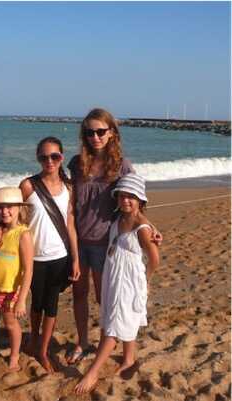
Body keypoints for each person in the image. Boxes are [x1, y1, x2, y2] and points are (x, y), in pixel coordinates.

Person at [66, 108, 161, 364]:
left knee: (104, 299)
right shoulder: (76, 164)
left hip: (106, 244)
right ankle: (83, 342)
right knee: (79, 295)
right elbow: (72, 206)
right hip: (79, 241)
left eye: (100, 131)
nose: (95, 137)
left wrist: (149, 226)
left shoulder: (122, 166)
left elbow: (135, 200)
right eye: (89, 132)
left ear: (111, 133)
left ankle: (104, 344)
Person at [75, 173, 160, 393]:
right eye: (122, 196)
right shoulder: (119, 217)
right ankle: (129, 358)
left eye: (131, 197)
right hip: (113, 275)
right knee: (121, 317)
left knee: (114, 324)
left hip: (129, 280)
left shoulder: (142, 228)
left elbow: (154, 258)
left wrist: (146, 280)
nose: (126, 200)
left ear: (140, 200)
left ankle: (93, 372)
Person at [19, 136, 81, 372]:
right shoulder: (28, 185)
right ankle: (34, 339)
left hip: (60, 257)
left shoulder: (69, 188)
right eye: (44, 157)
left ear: (61, 158)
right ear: (38, 158)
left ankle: (43, 351)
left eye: (55, 156)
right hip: (33, 258)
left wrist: (75, 259)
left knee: (52, 304)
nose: (49, 161)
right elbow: (15, 218)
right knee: (37, 302)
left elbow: (70, 225)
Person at [0, 187, 33, 387]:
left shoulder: (23, 234)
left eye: (9, 207)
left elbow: (28, 270)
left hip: (11, 291)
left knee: (11, 324)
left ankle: (14, 356)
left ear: (19, 208)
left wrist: (22, 300)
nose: (5, 211)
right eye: (0, 207)